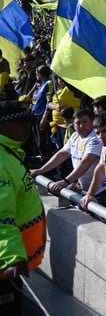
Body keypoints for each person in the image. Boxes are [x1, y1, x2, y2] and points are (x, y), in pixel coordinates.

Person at [0, 101, 47, 316]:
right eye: (21, 123)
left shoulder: (10, 153)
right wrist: (12, 257)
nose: (27, 128)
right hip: (6, 267)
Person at [30, 108, 104, 200]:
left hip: (101, 189)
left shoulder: (95, 138)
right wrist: (41, 170)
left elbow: (87, 161)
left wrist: (66, 181)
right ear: (73, 123)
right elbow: (62, 154)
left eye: (85, 122)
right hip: (85, 188)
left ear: (92, 122)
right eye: (78, 123)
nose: (81, 126)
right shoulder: (75, 136)